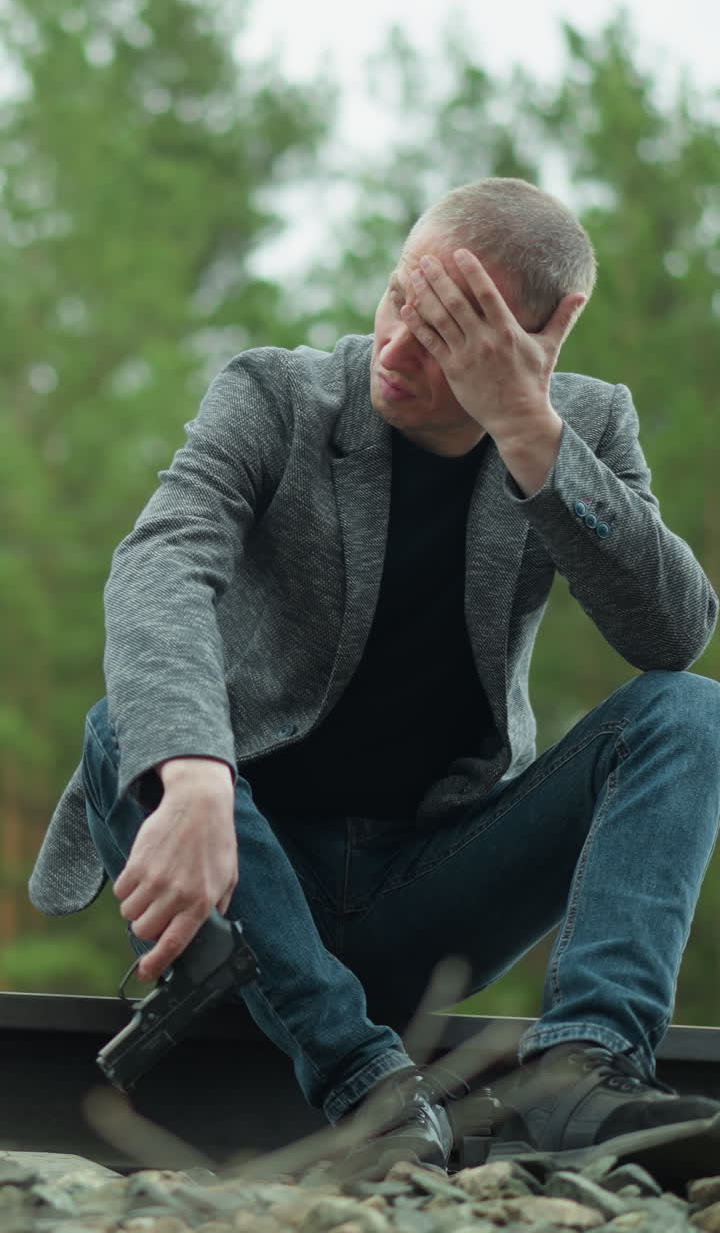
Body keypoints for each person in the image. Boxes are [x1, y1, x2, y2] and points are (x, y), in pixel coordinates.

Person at [29, 177, 720, 1179]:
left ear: (543, 335)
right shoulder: (274, 395)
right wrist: (196, 770)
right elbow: (160, 562)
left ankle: (584, 1070)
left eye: (448, 335)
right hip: (253, 889)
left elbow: (672, 634)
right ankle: (370, 1089)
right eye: (401, 297)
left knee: (687, 713)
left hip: (429, 893)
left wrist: (530, 431)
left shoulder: (585, 428)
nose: (397, 349)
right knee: (123, 730)